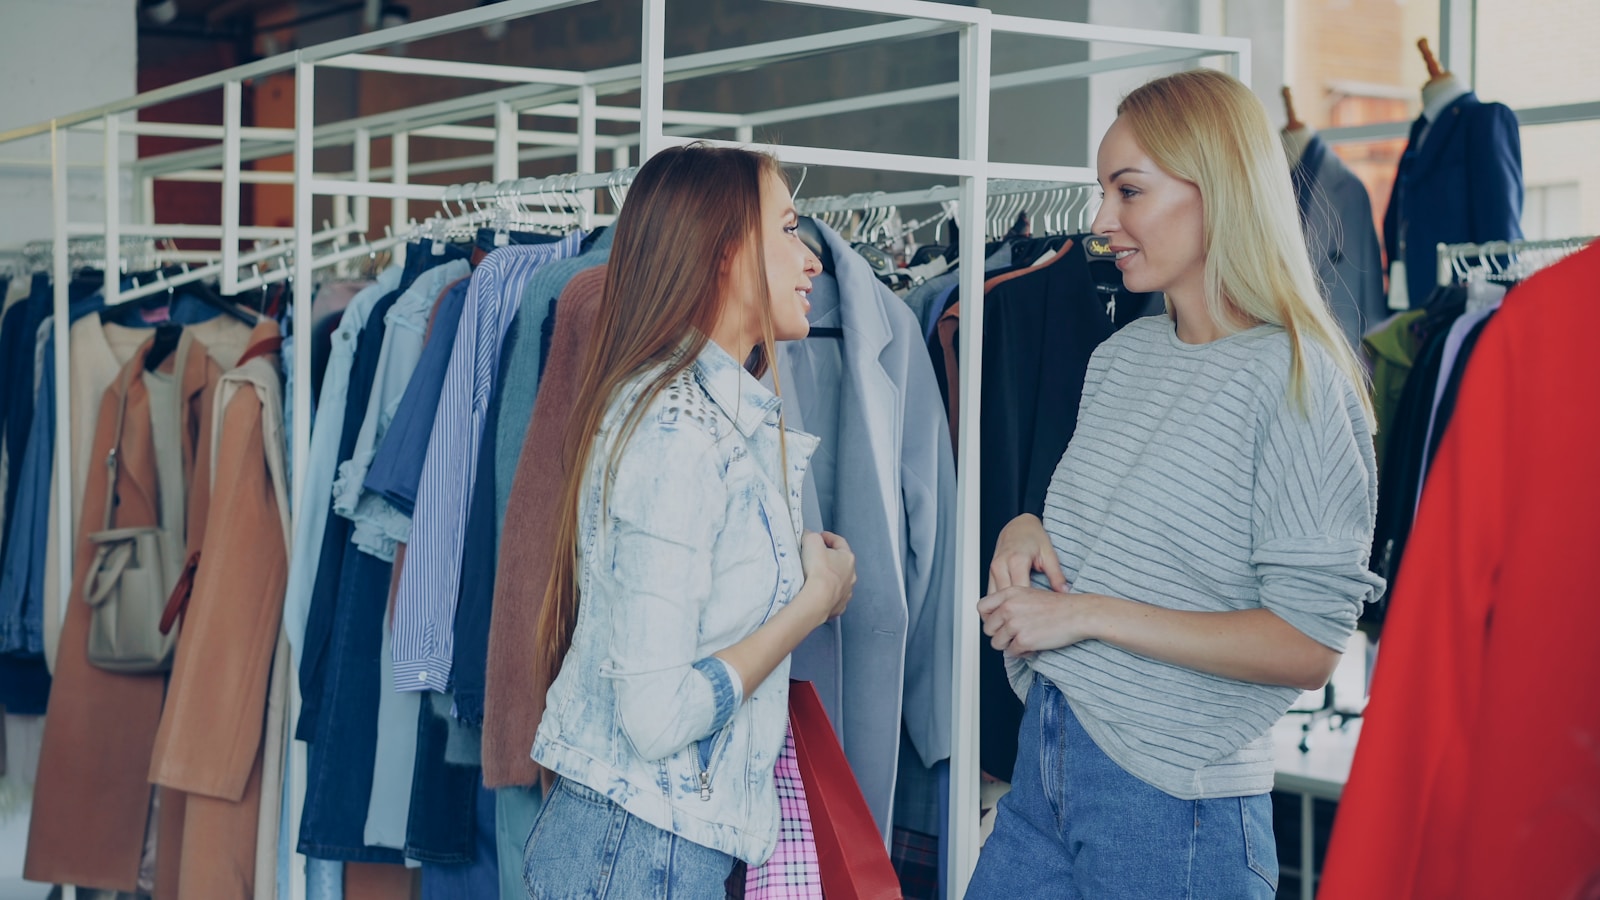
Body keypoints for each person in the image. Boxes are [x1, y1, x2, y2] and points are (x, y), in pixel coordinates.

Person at [967, 69, 1386, 898]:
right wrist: (1024, 529)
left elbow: (1306, 646)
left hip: (1172, 805)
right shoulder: (1121, 358)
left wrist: (1082, 614)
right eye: (1102, 192)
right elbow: (1118, 540)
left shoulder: (1295, 377)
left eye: (1129, 191)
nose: (1100, 223)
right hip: (1049, 752)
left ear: (1219, 188)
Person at [522, 144, 857, 897]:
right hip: (634, 852)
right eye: (789, 230)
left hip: (649, 846)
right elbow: (657, 716)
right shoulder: (677, 432)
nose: (811, 261)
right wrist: (814, 601)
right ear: (727, 252)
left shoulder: (705, 414)